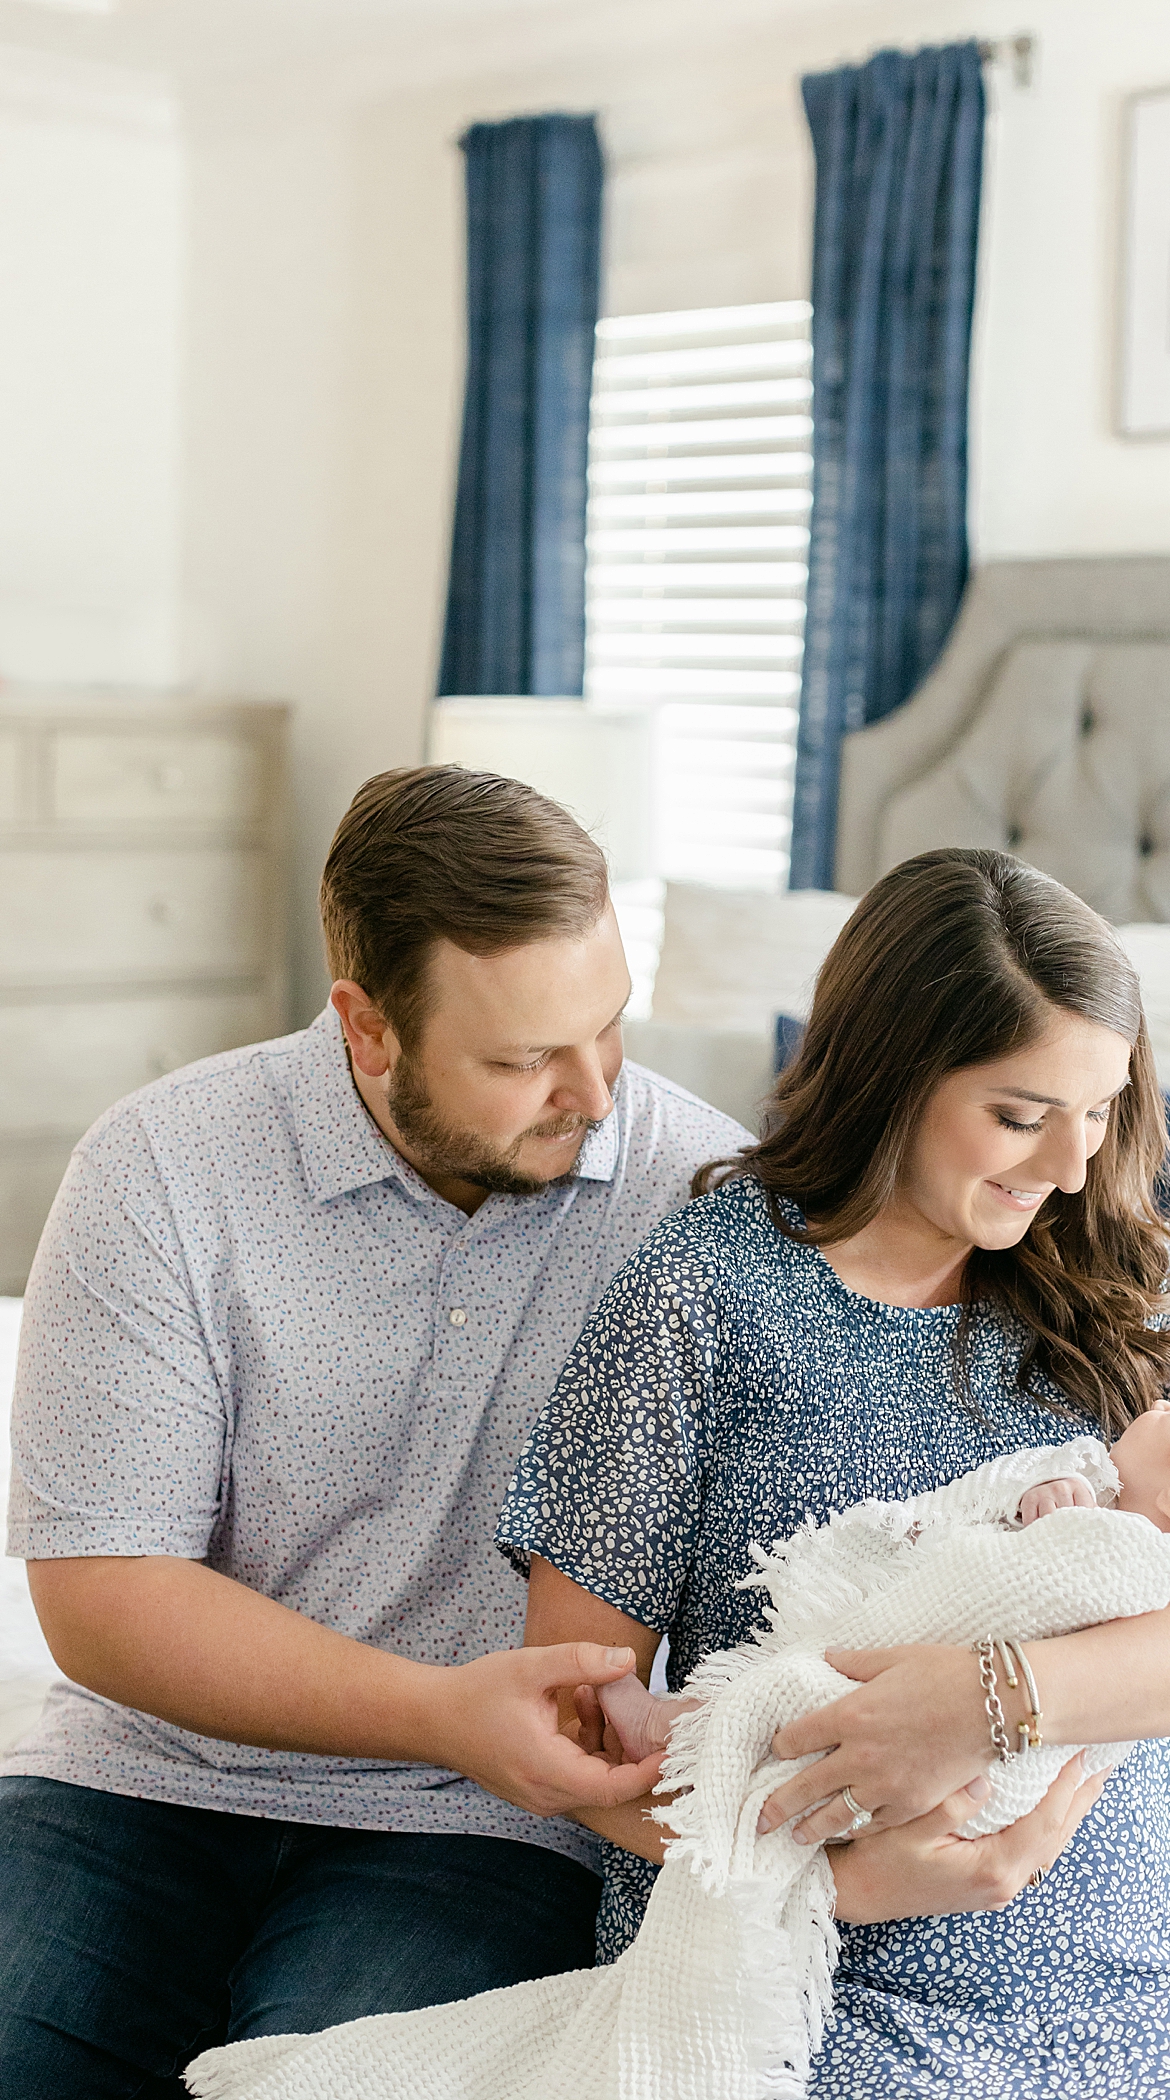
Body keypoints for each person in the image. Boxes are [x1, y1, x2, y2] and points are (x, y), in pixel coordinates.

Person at [504, 848, 1170, 2097]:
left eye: (1102, 1109)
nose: (1069, 1166)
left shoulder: (1142, 1282)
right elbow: (564, 1729)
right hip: (830, 1971)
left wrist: (986, 1702)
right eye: (1019, 1115)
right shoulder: (699, 1293)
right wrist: (832, 1882)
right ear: (894, 1076)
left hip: (1158, 1974)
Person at [0, 766, 743, 2098]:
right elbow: (104, 1593)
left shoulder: (702, 1203)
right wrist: (443, 1712)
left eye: (609, 1027)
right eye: (523, 1060)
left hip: (487, 1830)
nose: (594, 1091)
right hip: (137, 1782)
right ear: (367, 1027)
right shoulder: (160, 1165)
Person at [598, 1381, 1170, 1762]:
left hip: (966, 1728)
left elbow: (1033, 1583)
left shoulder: (1139, 1560)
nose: (1155, 1407)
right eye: (1017, 1116)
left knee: (801, 1694)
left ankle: (673, 1729)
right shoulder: (1102, 1495)